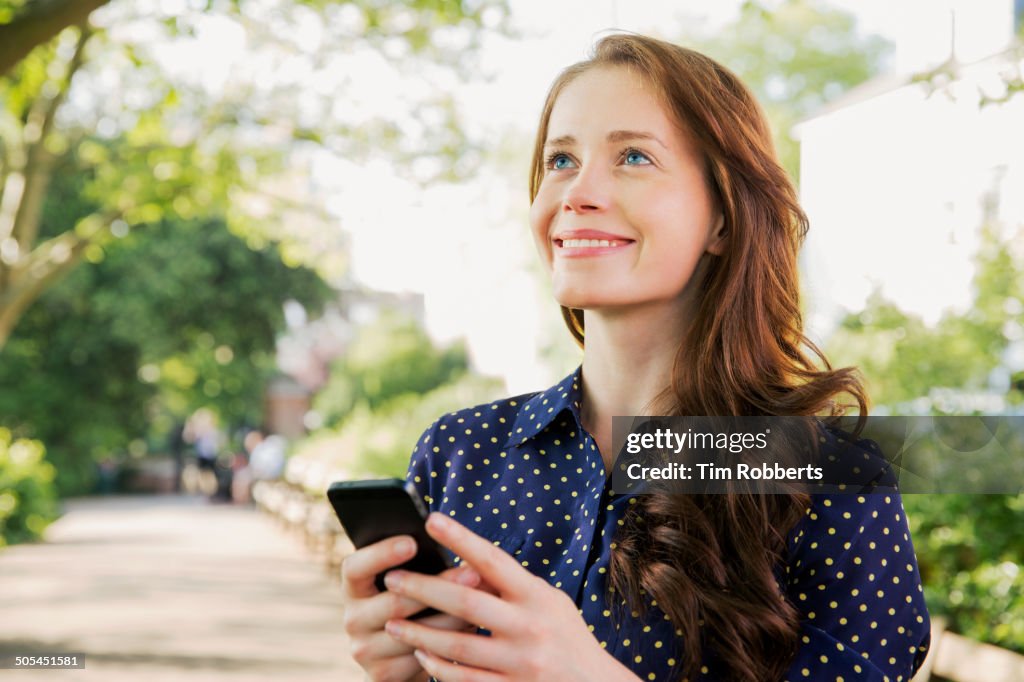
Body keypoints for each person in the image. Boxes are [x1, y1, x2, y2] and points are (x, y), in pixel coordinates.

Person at [340, 33, 931, 682]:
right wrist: (410, 665)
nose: (577, 192)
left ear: (723, 221)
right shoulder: (459, 453)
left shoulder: (827, 477)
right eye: (560, 160)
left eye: (633, 157)